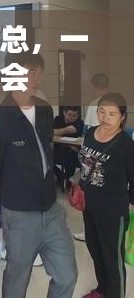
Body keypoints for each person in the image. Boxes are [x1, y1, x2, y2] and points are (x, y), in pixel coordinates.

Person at [0, 52, 77, 298]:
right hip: (20, 214)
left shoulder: (45, 110)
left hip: (52, 209)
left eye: (39, 72)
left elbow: (46, 150)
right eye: (29, 72)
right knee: (17, 277)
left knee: (67, 275)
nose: (36, 78)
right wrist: (4, 203)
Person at [78, 93, 134, 298]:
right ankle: (102, 290)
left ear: (122, 116)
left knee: (112, 257)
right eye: (102, 112)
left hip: (113, 210)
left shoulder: (126, 144)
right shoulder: (91, 132)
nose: (105, 118)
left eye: (112, 114)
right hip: (89, 205)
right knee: (95, 249)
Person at [75, 74, 109, 243]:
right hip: (111, 156)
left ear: (93, 86)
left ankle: (89, 231)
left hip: (94, 157)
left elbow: (87, 132)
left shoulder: (94, 105)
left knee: (90, 194)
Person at [53, 106, 84, 191]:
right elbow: (50, 131)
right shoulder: (58, 119)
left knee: (70, 156)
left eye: (75, 115)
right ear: (64, 113)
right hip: (58, 148)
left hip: (73, 151)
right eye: (70, 115)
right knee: (46, 156)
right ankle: (61, 177)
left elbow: (60, 131)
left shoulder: (79, 122)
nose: (73, 117)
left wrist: (57, 132)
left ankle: (68, 182)